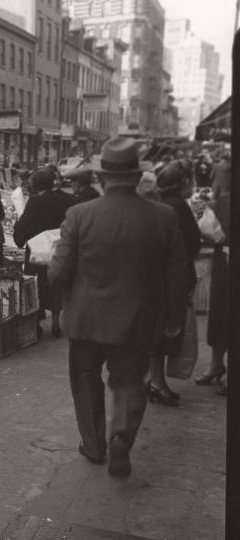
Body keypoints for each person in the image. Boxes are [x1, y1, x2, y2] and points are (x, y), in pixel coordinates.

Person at [49, 137, 188, 478]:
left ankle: (94, 445)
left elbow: (58, 274)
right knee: (128, 383)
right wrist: (173, 318)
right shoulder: (163, 216)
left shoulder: (79, 214)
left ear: (102, 176)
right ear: (137, 176)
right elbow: (178, 275)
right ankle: (121, 439)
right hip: (137, 321)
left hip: (86, 319)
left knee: (85, 380)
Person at [147, 160, 201, 406]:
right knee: (165, 331)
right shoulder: (177, 206)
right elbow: (191, 245)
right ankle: (157, 383)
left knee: (158, 332)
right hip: (172, 279)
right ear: (184, 182)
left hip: (159, 277)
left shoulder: (161, 204)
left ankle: (156, 381)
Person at [13, 169, 73, 338]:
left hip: (38, 252)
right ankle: (55, 323)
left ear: (35, 184)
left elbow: (24, 225)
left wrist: (19, 233)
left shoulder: (35, 202)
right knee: (55, 286)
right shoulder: (65, 200)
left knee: (36, 286)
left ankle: (37, 325)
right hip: (59, 250)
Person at [196, 179, 230, 395]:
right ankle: (217, 365)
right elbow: (211, 232)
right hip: (225, 265)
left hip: (225, 262)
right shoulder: (224, 200)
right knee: (219, 314)